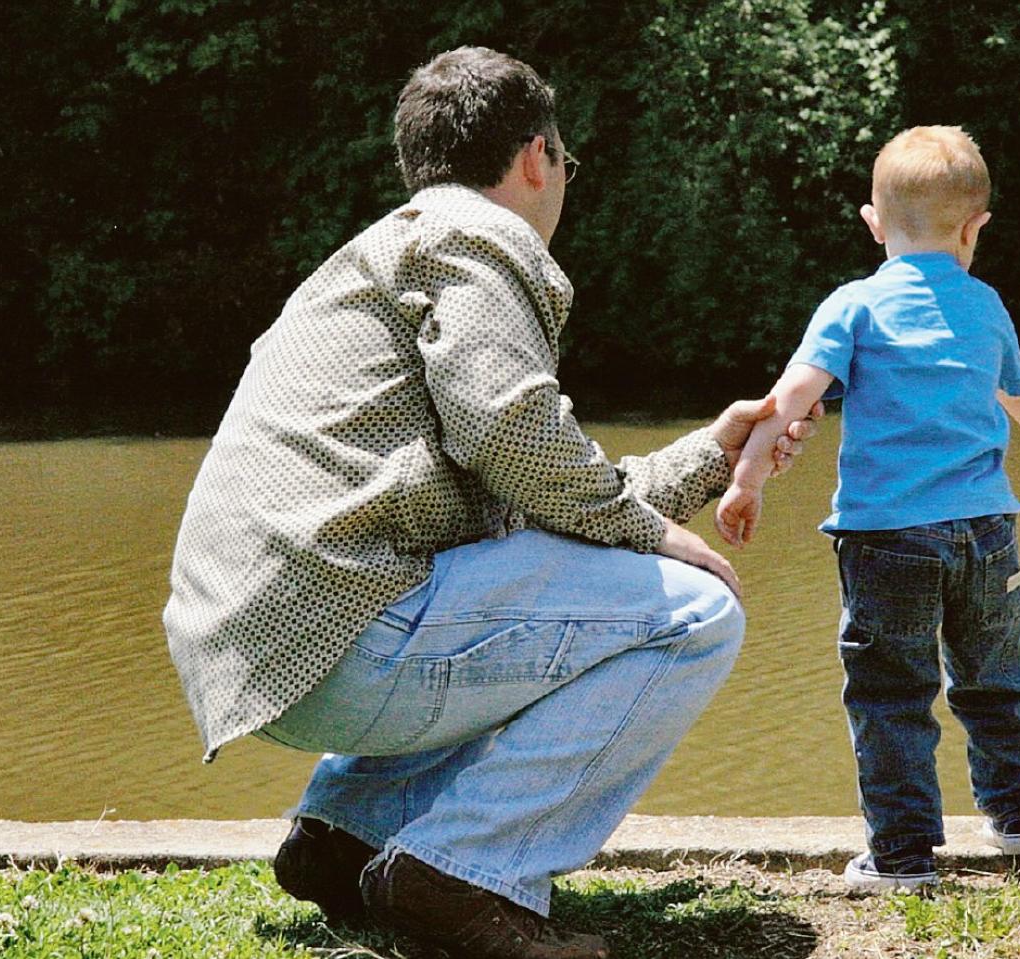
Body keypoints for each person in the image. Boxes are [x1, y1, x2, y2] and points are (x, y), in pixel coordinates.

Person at [161, 46, 820, 959]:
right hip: (346, 633)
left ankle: (343, 836)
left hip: (262, 652)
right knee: (695, 615)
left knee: (561, 605)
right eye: (565, 163)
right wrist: (654, 535)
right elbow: (511, 433)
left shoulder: (385, 251)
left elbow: (529, 488)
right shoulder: (478, 234)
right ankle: (458, 873)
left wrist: (712, 454)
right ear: (536, 157)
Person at [713, 125, 1020, 890]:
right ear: (975, 227)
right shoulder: (983, 304)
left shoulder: (854, 306)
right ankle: (1019, 816)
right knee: (999, 674)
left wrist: (748, 476)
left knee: (891, 695)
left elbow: (791, 397)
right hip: (986, 531)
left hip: (885, 539)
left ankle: (903, 855)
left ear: (874, 225)